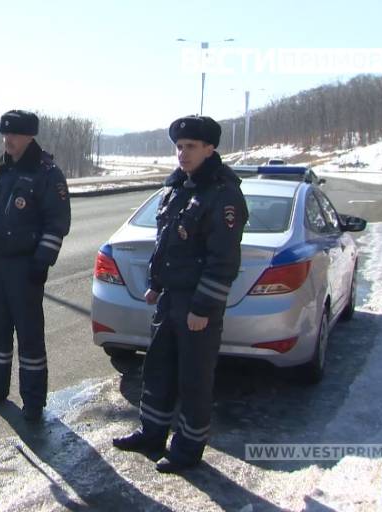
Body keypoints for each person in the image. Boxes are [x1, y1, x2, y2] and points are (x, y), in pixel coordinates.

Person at [112, 115, 248, 473]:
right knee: (157, 369)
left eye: (190, 147)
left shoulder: (223, 195)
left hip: (197, 303)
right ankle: (152, 433)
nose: (182, 154)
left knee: (194, 378)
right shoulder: (176, 189)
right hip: (170, 299)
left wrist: (203, 306)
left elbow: (223, 259)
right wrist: (156, 285)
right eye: (179, 147)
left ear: (210, 149)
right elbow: (166, 244)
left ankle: (187, 449)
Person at [0, 109, 71, 423]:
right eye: (4, 134)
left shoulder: (47, 174)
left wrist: (42, 263)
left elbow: (57, 223)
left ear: (29, 136)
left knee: (29, 336)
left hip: (26, 267)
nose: (7, 139)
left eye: (14, 134)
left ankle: (33, 401)